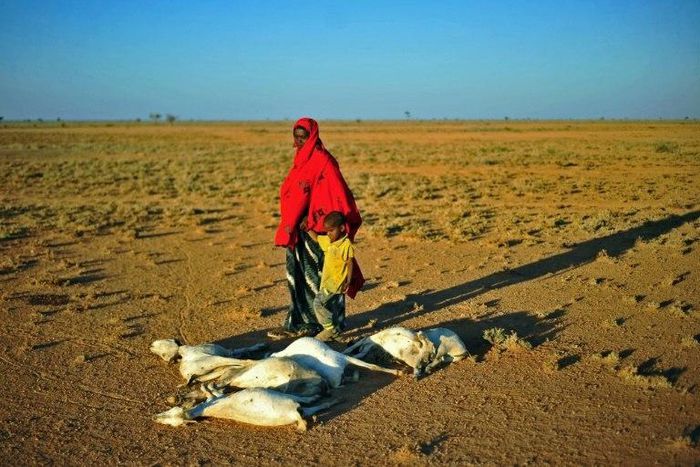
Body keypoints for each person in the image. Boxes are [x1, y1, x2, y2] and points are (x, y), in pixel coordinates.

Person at [269, 117, 364, 339]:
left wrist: (314, 220)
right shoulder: (301, 159)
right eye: (297, 136)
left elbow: (336, 196)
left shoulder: (323, 160)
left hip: (319, 231)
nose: (300, 141)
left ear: (313, 136)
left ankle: (328, 327)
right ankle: (299, 322)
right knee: (299, 276)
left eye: (304, 137)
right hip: (301, 229)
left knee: (326, 276)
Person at [303, 211, 355, 341]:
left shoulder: (346, 244)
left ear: (342, 228)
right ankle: (335, 333)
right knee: (331, 307)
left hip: (335, 283)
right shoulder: (329, 241)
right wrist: (308, 228)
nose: (328, 234)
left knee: (318, 303)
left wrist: (348, 280)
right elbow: (316, 238)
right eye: (326, 231)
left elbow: (350, 262)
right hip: (327, 281)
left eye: (331, 231)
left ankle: (329, 329)